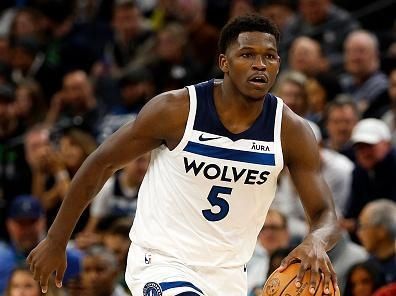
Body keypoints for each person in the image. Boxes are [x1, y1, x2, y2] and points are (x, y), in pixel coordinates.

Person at [27, 15, 340, 295]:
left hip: (229, 274)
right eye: (248, 54)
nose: (261, 64)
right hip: (161, 260)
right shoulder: (176, 110)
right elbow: (100, 162)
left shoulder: (290, 130)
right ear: (224, 62)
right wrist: (57, 238)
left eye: (269, 57)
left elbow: (325, 213)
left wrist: (316, 240)